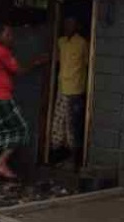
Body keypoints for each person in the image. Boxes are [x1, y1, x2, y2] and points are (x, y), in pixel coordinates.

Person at [0, 24, 46, 189]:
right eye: (8, 35)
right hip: (0, 98)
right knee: (22, 130)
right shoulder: (2, 52)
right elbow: (18, 71)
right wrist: (36, 62)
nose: (11, 38)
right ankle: (0, 162)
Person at [50, 17, 89, 169]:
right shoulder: (60, 42)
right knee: (60, 124)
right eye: (66, 24)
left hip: (75, 89)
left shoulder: (82, 43)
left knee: (73, 126)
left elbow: (87, 63)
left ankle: (74, 161)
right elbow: (57, 60)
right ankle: (62, 158)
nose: (68, 26)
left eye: (71, 24)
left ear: (77, 26)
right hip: (62, 87)